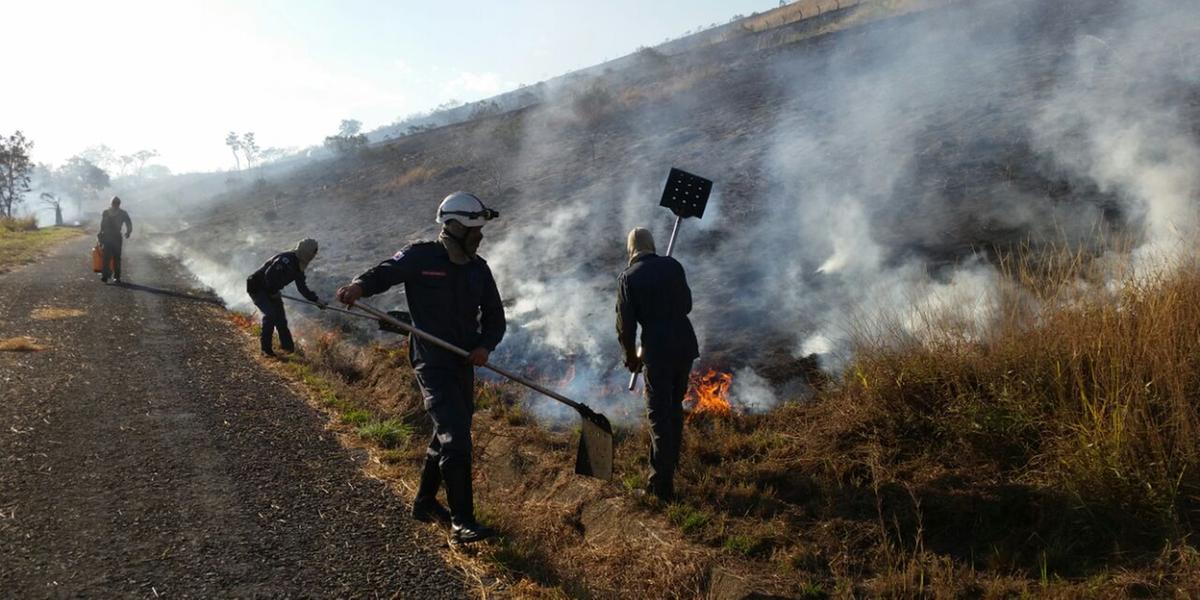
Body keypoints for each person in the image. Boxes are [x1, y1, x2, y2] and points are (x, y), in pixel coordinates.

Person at [336, 191, 505, 544]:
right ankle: (462, 522)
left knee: (446, 432)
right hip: (431, 361)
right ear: (454, 227)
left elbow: (495, 317)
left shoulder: (478, 269)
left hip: (462, 363)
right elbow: (386, 272)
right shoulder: (421, 256)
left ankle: (425, 502)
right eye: (475, 230)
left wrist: (484, 346)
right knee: (456, 437)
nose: (480, 237)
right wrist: (359, 286)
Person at [616, 227, 699, 501]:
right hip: (685, 344)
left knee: (658, 416)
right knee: (674, 408)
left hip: (658, 351)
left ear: (631, 250)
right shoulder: (673, 265)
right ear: (652, 245)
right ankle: (670, 465)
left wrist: (630, 357)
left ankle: (660, 488)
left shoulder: (628, 278)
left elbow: (625, 327)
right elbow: (686, 305)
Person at [245, 239, 325, 357]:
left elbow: (302, 288)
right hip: (257, 288)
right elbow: (269, 275)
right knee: (270, 315)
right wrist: (272, 292)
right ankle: (265, 350)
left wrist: (316, 301)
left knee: (281, 319)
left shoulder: (299, 268)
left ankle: (288, 349)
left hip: (272, 290)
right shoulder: (285, 260)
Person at [98, 196, 132, 283]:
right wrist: (101, 235)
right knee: (107, 257)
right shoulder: (106, 212)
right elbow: (102, 225)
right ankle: (106, 275)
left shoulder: (122, 213)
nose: (115, 205)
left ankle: (115, 276)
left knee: (115, 257)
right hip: (108, 237)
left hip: (115, 237)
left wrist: (128, 232)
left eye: (116, 203)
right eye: (114, 203)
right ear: (112, 203)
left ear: (119, 204)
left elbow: (128, 224)